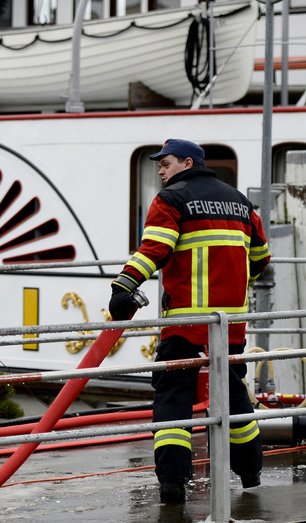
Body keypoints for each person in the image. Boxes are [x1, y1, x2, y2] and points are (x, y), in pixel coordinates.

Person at [108, 138, 271, 505]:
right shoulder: (240, 201)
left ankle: (172, 484)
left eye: (164, 164)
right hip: (230, 322)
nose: (161, 171)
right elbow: (260, 259)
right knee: (231, 396)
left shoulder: (172, 199)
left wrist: (124, 286)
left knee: (173, 396)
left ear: (186, 162)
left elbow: (155, 249)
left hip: (185, 322)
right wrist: (231, 284)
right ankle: (250, 474)